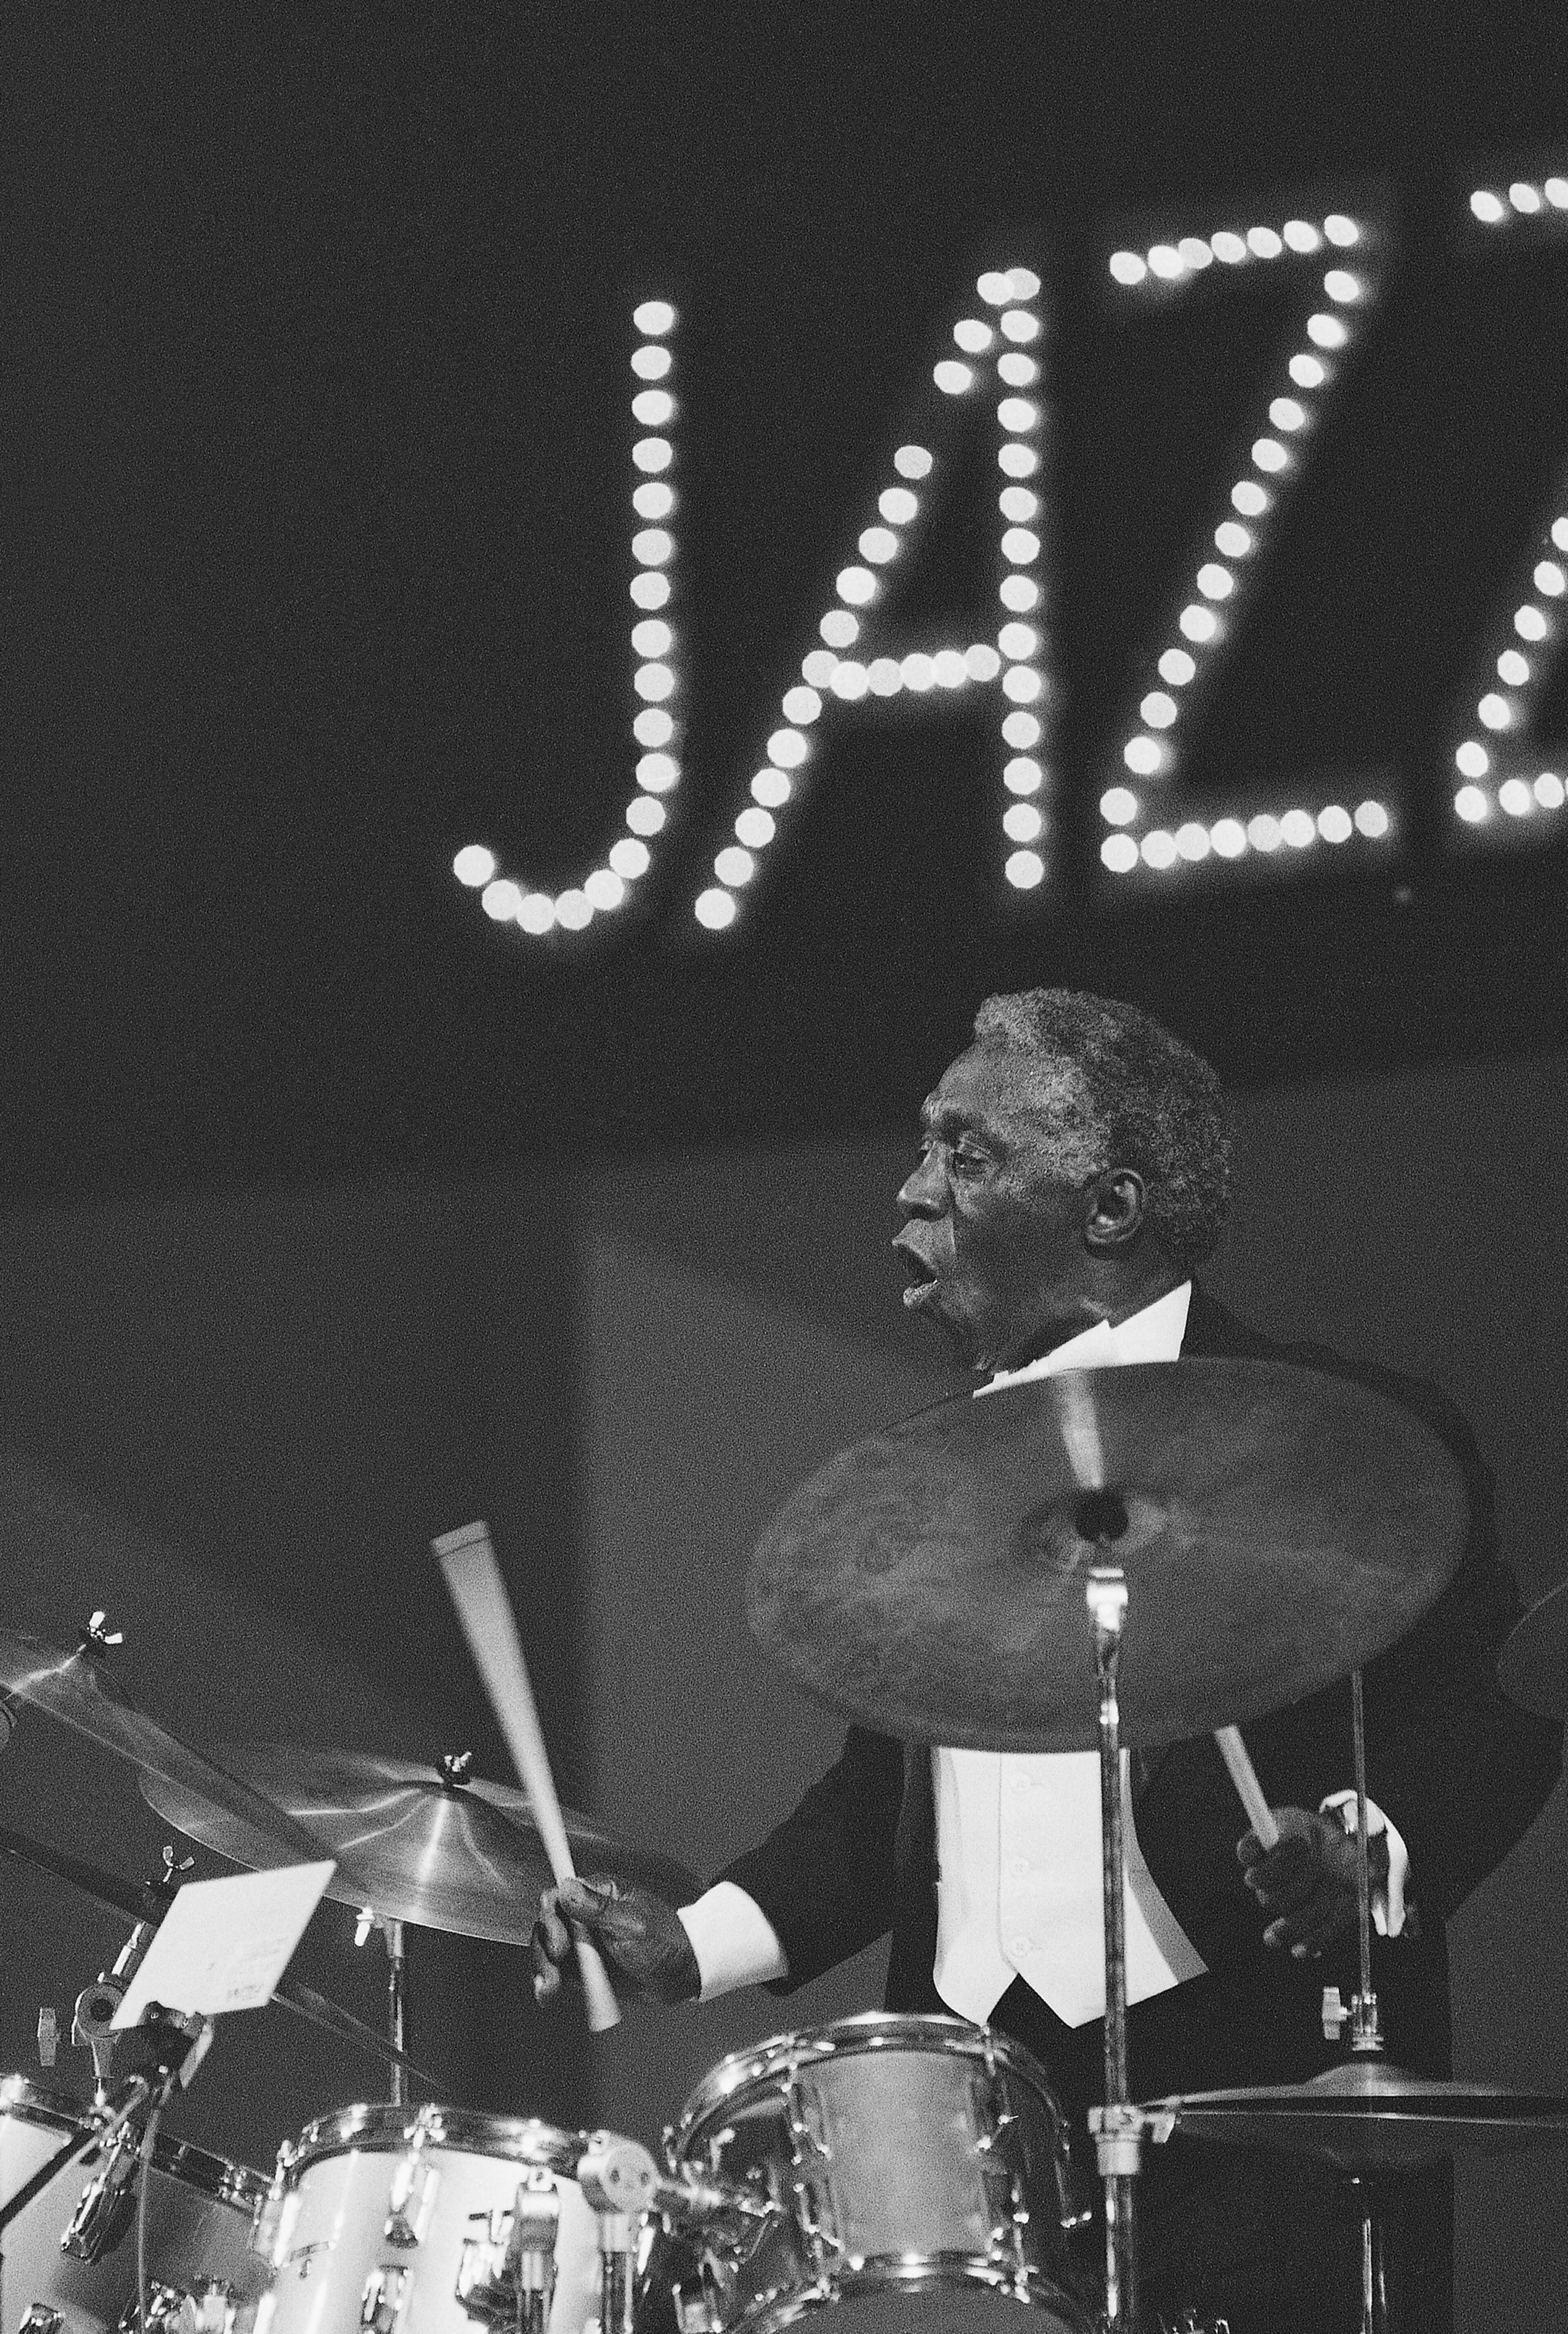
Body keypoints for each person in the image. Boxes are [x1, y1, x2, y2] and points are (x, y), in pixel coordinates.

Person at [532, 987, 1561, 2332]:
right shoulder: (942, 1479)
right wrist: (685, 1944)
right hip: (979, 2151)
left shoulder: (1343, 1442)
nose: (910, 1190)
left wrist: (1369, 1848)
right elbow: (879, 1816)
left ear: (1111, 1208)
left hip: (1265, 2148)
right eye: (924, 1146)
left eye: (967, 1153)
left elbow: (1499, 1704)